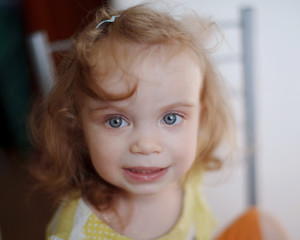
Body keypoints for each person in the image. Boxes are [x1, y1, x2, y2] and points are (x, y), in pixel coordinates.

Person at [29, 3, 236, 240]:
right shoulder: (75, 233)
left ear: (201, 117)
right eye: (116, 121)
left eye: (171, 118)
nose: (147, 145)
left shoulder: (189, 176)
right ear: (78, 124)